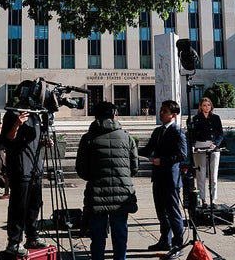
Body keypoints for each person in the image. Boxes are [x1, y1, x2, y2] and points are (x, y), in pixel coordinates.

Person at [76, 101, 139, 260]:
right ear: (114, 114)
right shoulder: (127, 137)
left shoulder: (88, 138)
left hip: (97, 194)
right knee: (120, 235)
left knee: (97, 236)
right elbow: (134, 167)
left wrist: (95, 177)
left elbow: (81, 169)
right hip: (122, 194)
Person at [1, 80, 51, 257]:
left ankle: (32, 237)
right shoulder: (12, 113)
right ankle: (14, 242)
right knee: (18, 207)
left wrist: (46, 142)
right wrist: (17, 124)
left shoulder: (36, 114)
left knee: (34, 205)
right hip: (20, 169)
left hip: (36, 169)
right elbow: (6, 139)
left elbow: (35, 140)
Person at [138, 100, 187, 258]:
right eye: (161, 110)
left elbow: (182, 154)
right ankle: (165, 240)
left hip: (171, 179)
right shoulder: (158, 131)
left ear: (173, 115)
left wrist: (163, 160)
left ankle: (178, 244)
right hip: (158, 177)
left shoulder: (177, 132)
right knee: (161, 212)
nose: (161, 113)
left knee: (173, 213)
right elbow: (148, 149)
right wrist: (130, 148)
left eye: (164, 111)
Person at [191, 97, 224, 208]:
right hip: (200, 146)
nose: (206, 107)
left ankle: (213, 200)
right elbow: (192, 134)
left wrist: (216, 144)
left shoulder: (216, 118)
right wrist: (192, 146)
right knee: (200, 175)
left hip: (213, 147)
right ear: (200, 106)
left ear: (211, 106)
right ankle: (203, 200)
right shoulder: (196, 118)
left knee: (213, 176)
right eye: (204, 105)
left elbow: (220, 134)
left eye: (208, 105)